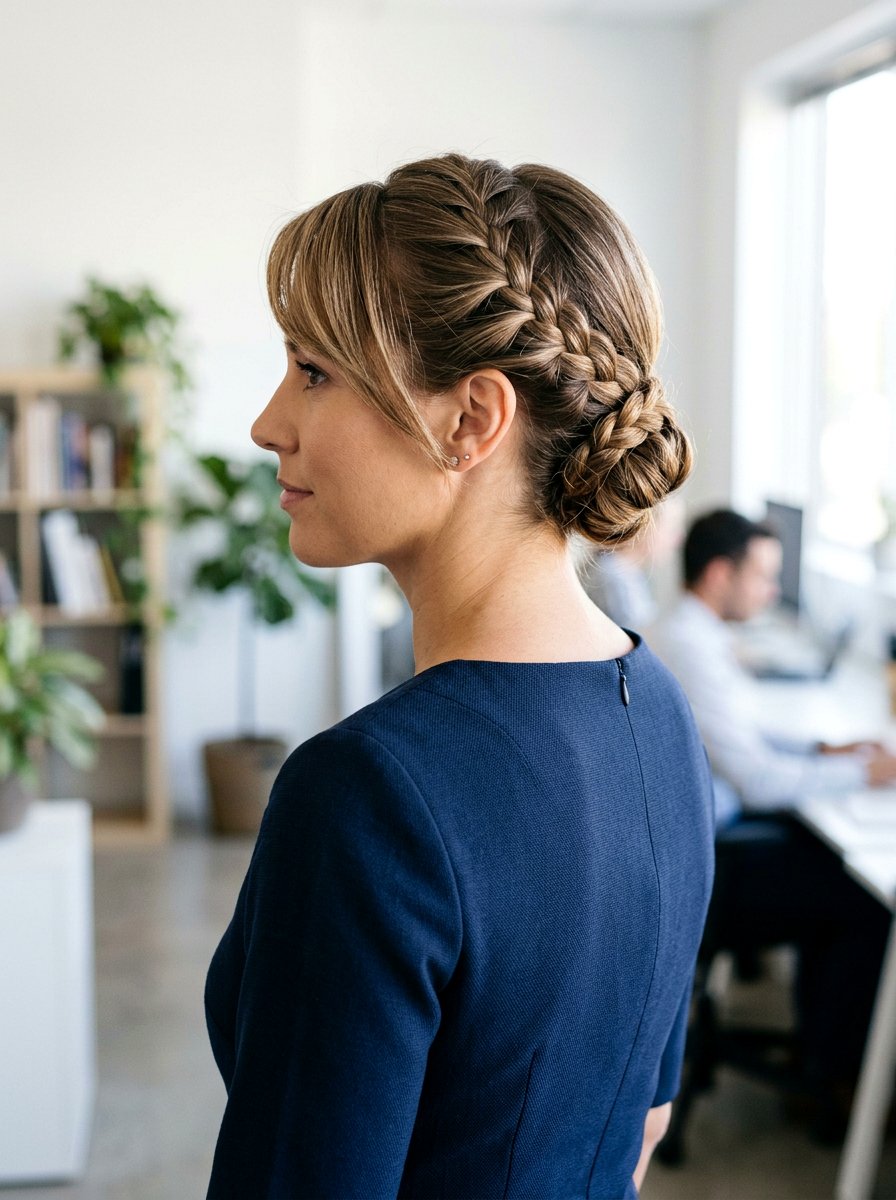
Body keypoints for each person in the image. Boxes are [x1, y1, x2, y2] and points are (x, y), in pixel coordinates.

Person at [204, 153, 715, 1198]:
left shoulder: (367, 798)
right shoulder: (660, 713)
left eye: (313, 371)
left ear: (471, 420)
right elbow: (641, 1127)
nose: (268, 424)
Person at [651, 509, 896, 1120]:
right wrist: (864, 773)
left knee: (828, 863)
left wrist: (822, 750)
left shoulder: (694, 632)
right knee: (863, 899)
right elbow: (756, 780)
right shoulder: (689, 645)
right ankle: (833, 1082)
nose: (769, 591)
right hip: (709, 868)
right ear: (718, 574)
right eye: (761, 576)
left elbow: (746, 739)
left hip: (711, 838)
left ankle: (823, 1055)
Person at [581, 494, 685, 631]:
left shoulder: (629, 574)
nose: (679, 539)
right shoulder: (612, 579)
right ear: (643, 527)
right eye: (671, 528)